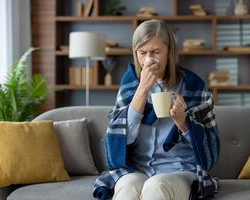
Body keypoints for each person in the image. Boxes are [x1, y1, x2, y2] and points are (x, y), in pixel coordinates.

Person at [93, 19, 220, 200]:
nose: (148, 60)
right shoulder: (130, 86)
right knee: (127, 186)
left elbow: (211, 152)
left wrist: (183, 122)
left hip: (181, 171)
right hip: (139, 169)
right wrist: (142, 90)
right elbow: (118, 141)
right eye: (142, 53)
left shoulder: (195, 87)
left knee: (156, 185)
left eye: (156, 52)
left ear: (169, 52)